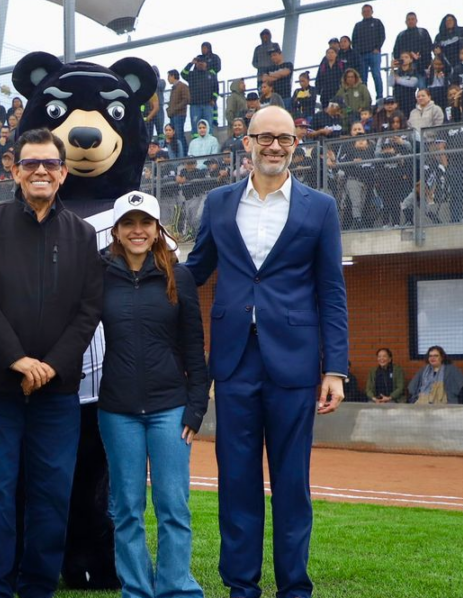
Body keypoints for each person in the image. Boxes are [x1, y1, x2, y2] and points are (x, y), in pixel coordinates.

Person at [185, 106, 348, 598]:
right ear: (248, 143)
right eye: (265, 138)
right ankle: (241, 587)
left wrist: (335, 368)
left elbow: (332, 290)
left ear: (297, 145)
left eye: (286, 139)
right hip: (233, 363)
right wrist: (140, 270)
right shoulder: (217, 203)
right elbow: (194, 271)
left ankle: (294, 588)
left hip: (295, 363)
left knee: (292, 484)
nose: (275, 146)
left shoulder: (319, 207)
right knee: (236, 482)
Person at [0, 128, 103, 598]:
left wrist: (50, 366)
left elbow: (88, 311)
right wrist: (19, 361)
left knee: (50, 496)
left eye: (49, 164)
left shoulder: (83, 235)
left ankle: (38, 586)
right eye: (30, 164)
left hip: (57, 393)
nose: (40, 171)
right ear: (15, 171)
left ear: (63, 173)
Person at [99, 191, 208, 598]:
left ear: (157, 228)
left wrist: (196, 407)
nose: (138, 231)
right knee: (126, 510)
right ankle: (137, 589)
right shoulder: (100, 273)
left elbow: (194, 346)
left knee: (173, 508)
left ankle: (178, 588)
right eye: (129, 224)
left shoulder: (178, 277)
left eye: (145, 223)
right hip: (116, 410)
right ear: (117, 230)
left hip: (170, 409)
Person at [352, 4, 387, 99]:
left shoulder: (377, 22)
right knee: (363, 78)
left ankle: (379, 97)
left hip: (374, 54)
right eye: (364, 11)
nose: (366, 13)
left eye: (368, 11)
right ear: (361, 13)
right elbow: (354, 40)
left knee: (376, 75)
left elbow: (382, 35)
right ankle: (365, 98)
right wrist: (357, 53)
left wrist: (377, 48)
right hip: (361, 55)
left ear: (372, 12)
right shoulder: (358, 25)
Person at [182, 55, 219, 133]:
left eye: (202, 62)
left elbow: (216, 90)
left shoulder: (211, 75)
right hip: (195, 106)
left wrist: (213, 100)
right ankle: (195, 143)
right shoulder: (192, 74)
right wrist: (191, 63)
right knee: (195, 127)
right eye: (198, 62)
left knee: (209, 126)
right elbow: (183, 73)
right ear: (196, 63)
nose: (201, 64)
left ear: (206, 64)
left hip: (208, 105)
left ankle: (209, 144)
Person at [166, 69, 190, 157]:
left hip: (179, 114)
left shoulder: (182, 86)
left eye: (168, 76)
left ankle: (183, 154)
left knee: (179, 134)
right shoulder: (174, 88)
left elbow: (186, 99)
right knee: (175, 136)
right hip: (173, 115)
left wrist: (174, 109)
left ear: (173, 76)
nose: (168, 79)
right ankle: (177, 154)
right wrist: (169, 110)